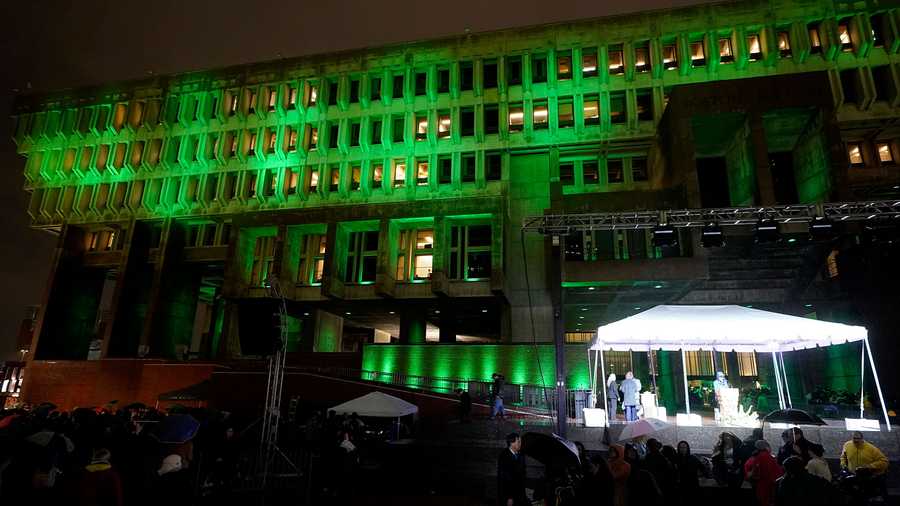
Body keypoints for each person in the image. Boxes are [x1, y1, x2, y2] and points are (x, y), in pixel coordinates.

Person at [744, 439, 783, 506]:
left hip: (759, 484)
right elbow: (777, 471)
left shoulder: (754, 457)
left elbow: (749, 471)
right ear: (766, 447)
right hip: (767, 484)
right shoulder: (767, 457)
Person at [497, 432, 528, 506]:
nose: (520, 444)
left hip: (520, 492)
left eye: (520, 441)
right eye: (518, 442)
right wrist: (509, 497)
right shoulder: (504, 457)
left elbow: (522, 471)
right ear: (512, 443)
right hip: (509, 494)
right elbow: (505, 479)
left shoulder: (520, 454)